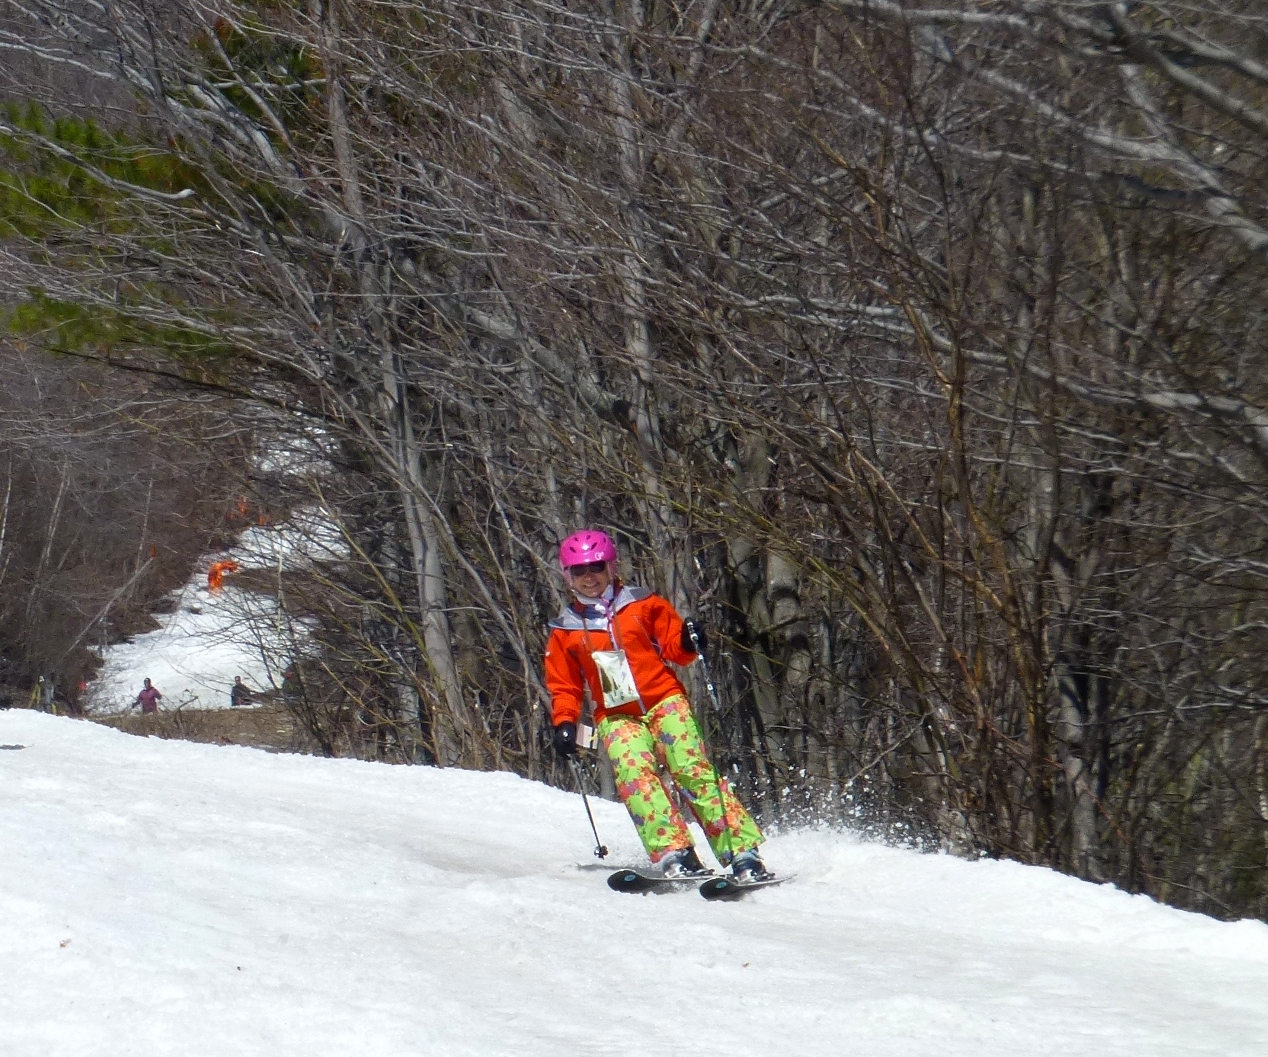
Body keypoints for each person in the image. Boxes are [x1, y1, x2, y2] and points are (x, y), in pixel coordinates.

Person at [544, 529, 771, 881]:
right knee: (634, 775)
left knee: (689, 768)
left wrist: (688, 638)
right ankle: (675, 852)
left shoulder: (642, 604)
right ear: (567, 576)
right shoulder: (565, 629)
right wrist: (565, 722)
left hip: (663, 699)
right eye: (579, 571)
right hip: (617, 714)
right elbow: (564, 684)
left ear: (611, 567)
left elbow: (675, 650)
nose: (589, 578)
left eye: (597, 568)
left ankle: (743, 852)